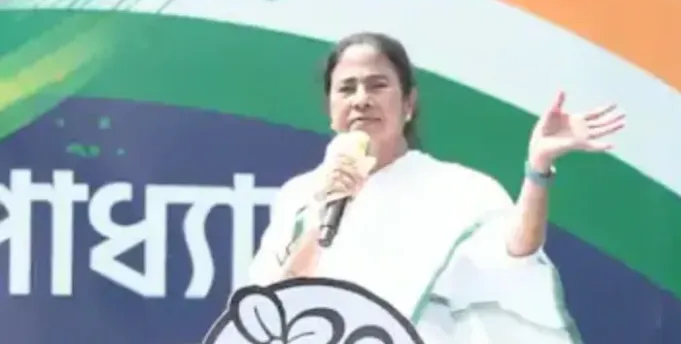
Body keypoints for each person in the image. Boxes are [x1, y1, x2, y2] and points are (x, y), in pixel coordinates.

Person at [247, 32, 626, 343]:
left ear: (409, 103)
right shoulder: (301, 196)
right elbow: (267, 313)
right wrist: (321, 220)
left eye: (377, 85)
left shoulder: (460, 190)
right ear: (331, 109)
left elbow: (516, 254)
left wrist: (537, 168)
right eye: (347, 88)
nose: (361, 99)